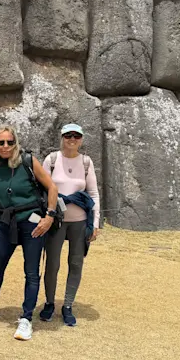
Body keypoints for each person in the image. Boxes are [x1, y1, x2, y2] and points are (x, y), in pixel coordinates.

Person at [0, 124, 58, 341]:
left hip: (32, 222)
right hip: (5, 222)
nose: (5, 146)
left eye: (10, 142)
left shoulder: (28, 161)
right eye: (0, 142)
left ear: (15, 142)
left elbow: (52, 187)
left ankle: (26, 319)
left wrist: (49, 216)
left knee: (31, 273)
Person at [40, 123, 100, 327]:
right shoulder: (52, 159)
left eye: (76, 136)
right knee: (52, 264)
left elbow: (93, 194)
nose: (72, 139)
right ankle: (49, 302)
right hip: (56, 221)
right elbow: (42, 187)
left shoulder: (86, 162)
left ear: (81, 139)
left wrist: (96, 223)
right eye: (68, 136)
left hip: (79, 222)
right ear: (62, 137)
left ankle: (67, 305)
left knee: (75, 264)